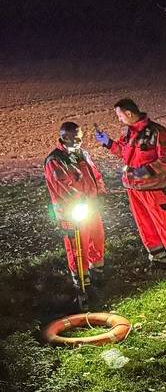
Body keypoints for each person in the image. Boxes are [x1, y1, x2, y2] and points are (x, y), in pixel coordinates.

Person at [95, 98, 166, 274]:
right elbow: (123, 152)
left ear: (129, 113)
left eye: (119, 115)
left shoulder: (156, 132)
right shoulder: (129, 133)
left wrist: (144, 172)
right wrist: (107, 142)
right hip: (133, 188)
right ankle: (159, 259)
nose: (119, 119)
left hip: (152, 188)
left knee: (165, 224)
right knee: (145, 226)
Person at [45, 121, 106, 309]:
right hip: (72, 213)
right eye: (76, 138)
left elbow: (95, 175)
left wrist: (100, 192)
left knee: (96, 240)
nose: (80, 141)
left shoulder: (82, 153)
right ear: (64, 137)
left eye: (81, 137)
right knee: (77, 248)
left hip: (91, 207)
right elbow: (63, 187)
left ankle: (98, 276)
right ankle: (82, 286)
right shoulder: (55, 160)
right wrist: (83, 201)